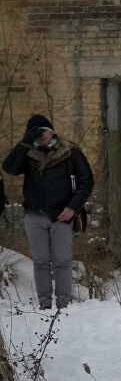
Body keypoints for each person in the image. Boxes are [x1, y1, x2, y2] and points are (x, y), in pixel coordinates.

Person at [3, 114, 94, 311]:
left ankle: (63, 304)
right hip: (35, 214)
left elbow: (86, 181)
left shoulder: (70, 152)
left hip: (62, 214)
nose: (41, 135)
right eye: (36, 132)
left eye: (43, 130)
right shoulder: (28, 154)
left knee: (62, 260)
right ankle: (45, 304)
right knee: (41, 261)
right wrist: (25, 143)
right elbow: (9, 168)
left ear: (51, 130)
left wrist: (73, 207)